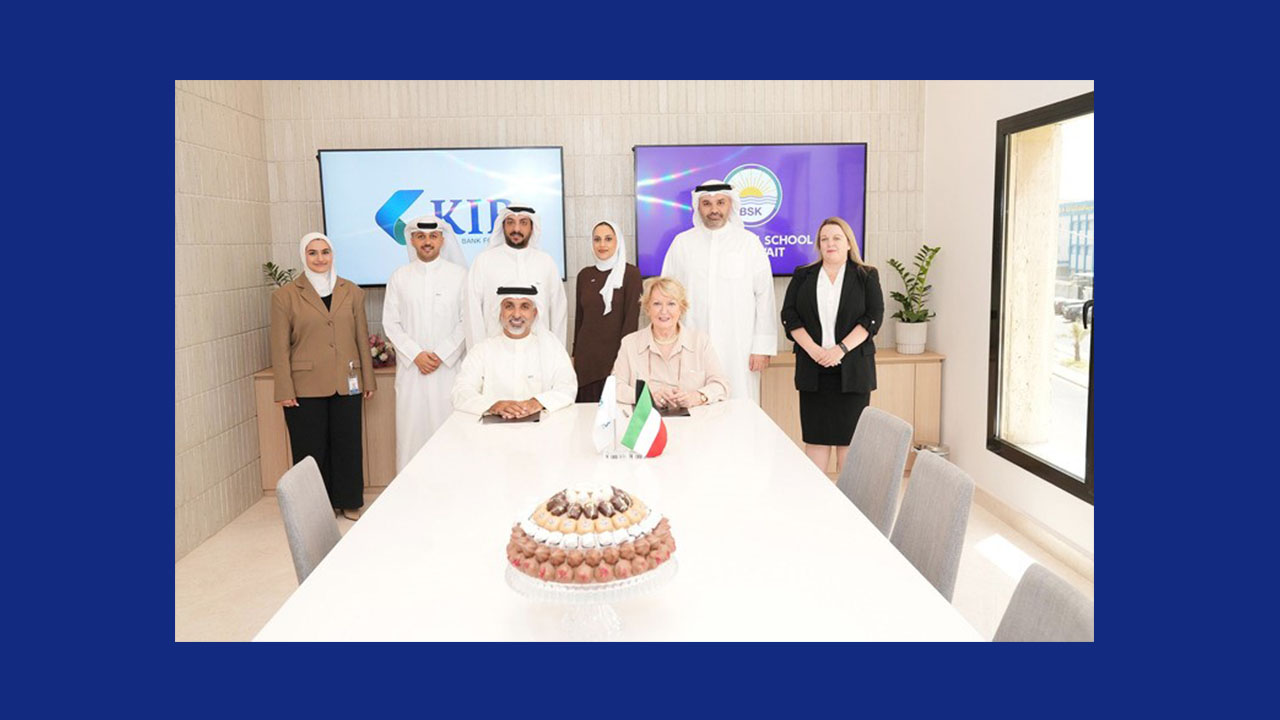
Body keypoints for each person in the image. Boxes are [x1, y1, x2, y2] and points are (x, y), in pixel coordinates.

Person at [270, 232, 377, 520]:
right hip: (304, 386)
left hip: (347, 381)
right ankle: (314, 509)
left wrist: (368, 379)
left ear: (333, 255)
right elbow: (279, 347)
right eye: (313, 253)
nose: (320, 258)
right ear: (303, 256)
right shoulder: (285, 296)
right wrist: (284, 389)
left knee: (348, 444)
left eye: (325, 252)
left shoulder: (352, 291)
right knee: (309, 450)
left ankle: (349, 500)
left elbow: (361, 336)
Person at [779, 217, 884, 475]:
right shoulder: (803, 275)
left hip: (853, 371)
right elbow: (789, 316)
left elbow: (873, 318)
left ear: (848, 243)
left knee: (849, 444)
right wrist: (814, 350)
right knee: (816, 440)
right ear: (818, 245)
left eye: (836, 238)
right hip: (814, 371)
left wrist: (840, 350)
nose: (830, 243)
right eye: (824, 239)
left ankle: (847, 499)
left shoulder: (866, 275)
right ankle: (816, 498)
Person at [660, 179, 777, 405]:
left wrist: (761, 348)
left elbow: (764, 297)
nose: (714, 209)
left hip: (739, 347)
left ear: (730, 205)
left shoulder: (749, 243)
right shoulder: (682, 244)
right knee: (693, 406)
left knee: (740, 405)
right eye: (707, 203)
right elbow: (666, 296)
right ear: (698, 207)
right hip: (691, 346)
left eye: (720, 202)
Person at [381, 215, 467, 474]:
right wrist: (416, 354)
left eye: (432, 236)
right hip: (412, 374)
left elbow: (467, 321)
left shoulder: (460, 276)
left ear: (442, 240)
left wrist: (441, 354)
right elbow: (391, 323)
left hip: (448, 372)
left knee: (451, 435)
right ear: (412, 240)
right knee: (411, 436)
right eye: (421, 237)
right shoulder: (399, 277)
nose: (427, 242)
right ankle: (410, 492)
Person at [451, 285, 578, 418]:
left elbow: (567, 387)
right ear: (500, 312)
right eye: (509, 306)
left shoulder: (552, 348)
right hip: (493, 429)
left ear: (534, 313)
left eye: (524, 306)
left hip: (542, 427)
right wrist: (493, 405)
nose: (516, 314)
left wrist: (537, 402)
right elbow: (460, 391)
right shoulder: (482, 350)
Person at [612, 276, 729, 409]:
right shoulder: (629, 343)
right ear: (647, 308)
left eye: (671, 304)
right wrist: (645, 396)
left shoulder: (701, 342)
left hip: (694, 420)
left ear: (681, 308)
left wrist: (697, 397)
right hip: (645, 420)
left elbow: (721, 385)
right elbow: (615, 386)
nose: (664, 311)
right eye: (657, 304)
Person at [463, 204, 568, 349]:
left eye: (523, 223)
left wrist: (557, 352)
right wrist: (478, 354)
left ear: (532, 227)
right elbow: (472, 313)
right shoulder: (483, 261)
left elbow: (558, 312)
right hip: (495, 353)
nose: (516, 229)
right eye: (510, 222)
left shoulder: (546, 262)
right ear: (503, 226)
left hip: (539, 352)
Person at [572, 220, 641, 402]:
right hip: (586, 362)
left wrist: (623, 360)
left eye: (608, 239)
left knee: (615, 413)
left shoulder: (631, 274)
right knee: (585, 414)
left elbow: (631, 321)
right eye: (597, 239)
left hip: (615, 360)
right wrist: (574, 355)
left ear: (618, 242)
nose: (602, 244)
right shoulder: (584, 275)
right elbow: (579, 319)